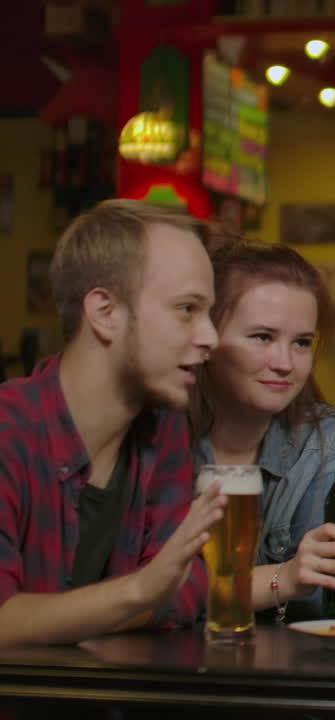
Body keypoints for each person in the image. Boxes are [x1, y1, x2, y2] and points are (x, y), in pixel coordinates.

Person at [0, 199, 225, 648]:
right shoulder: (10, 430)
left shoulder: (163, 428)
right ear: (105, 312)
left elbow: (185, 590)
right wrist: (138, 591)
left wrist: (55, 619)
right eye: (186, 309)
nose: (210, 338)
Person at [189, 238, 335, 621]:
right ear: (207, 336)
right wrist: (281, 579)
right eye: (263, 337)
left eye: (301, 343)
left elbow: (320, 600)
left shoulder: (322, 439)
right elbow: (144, 593)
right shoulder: (162, 432)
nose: (286, 363)